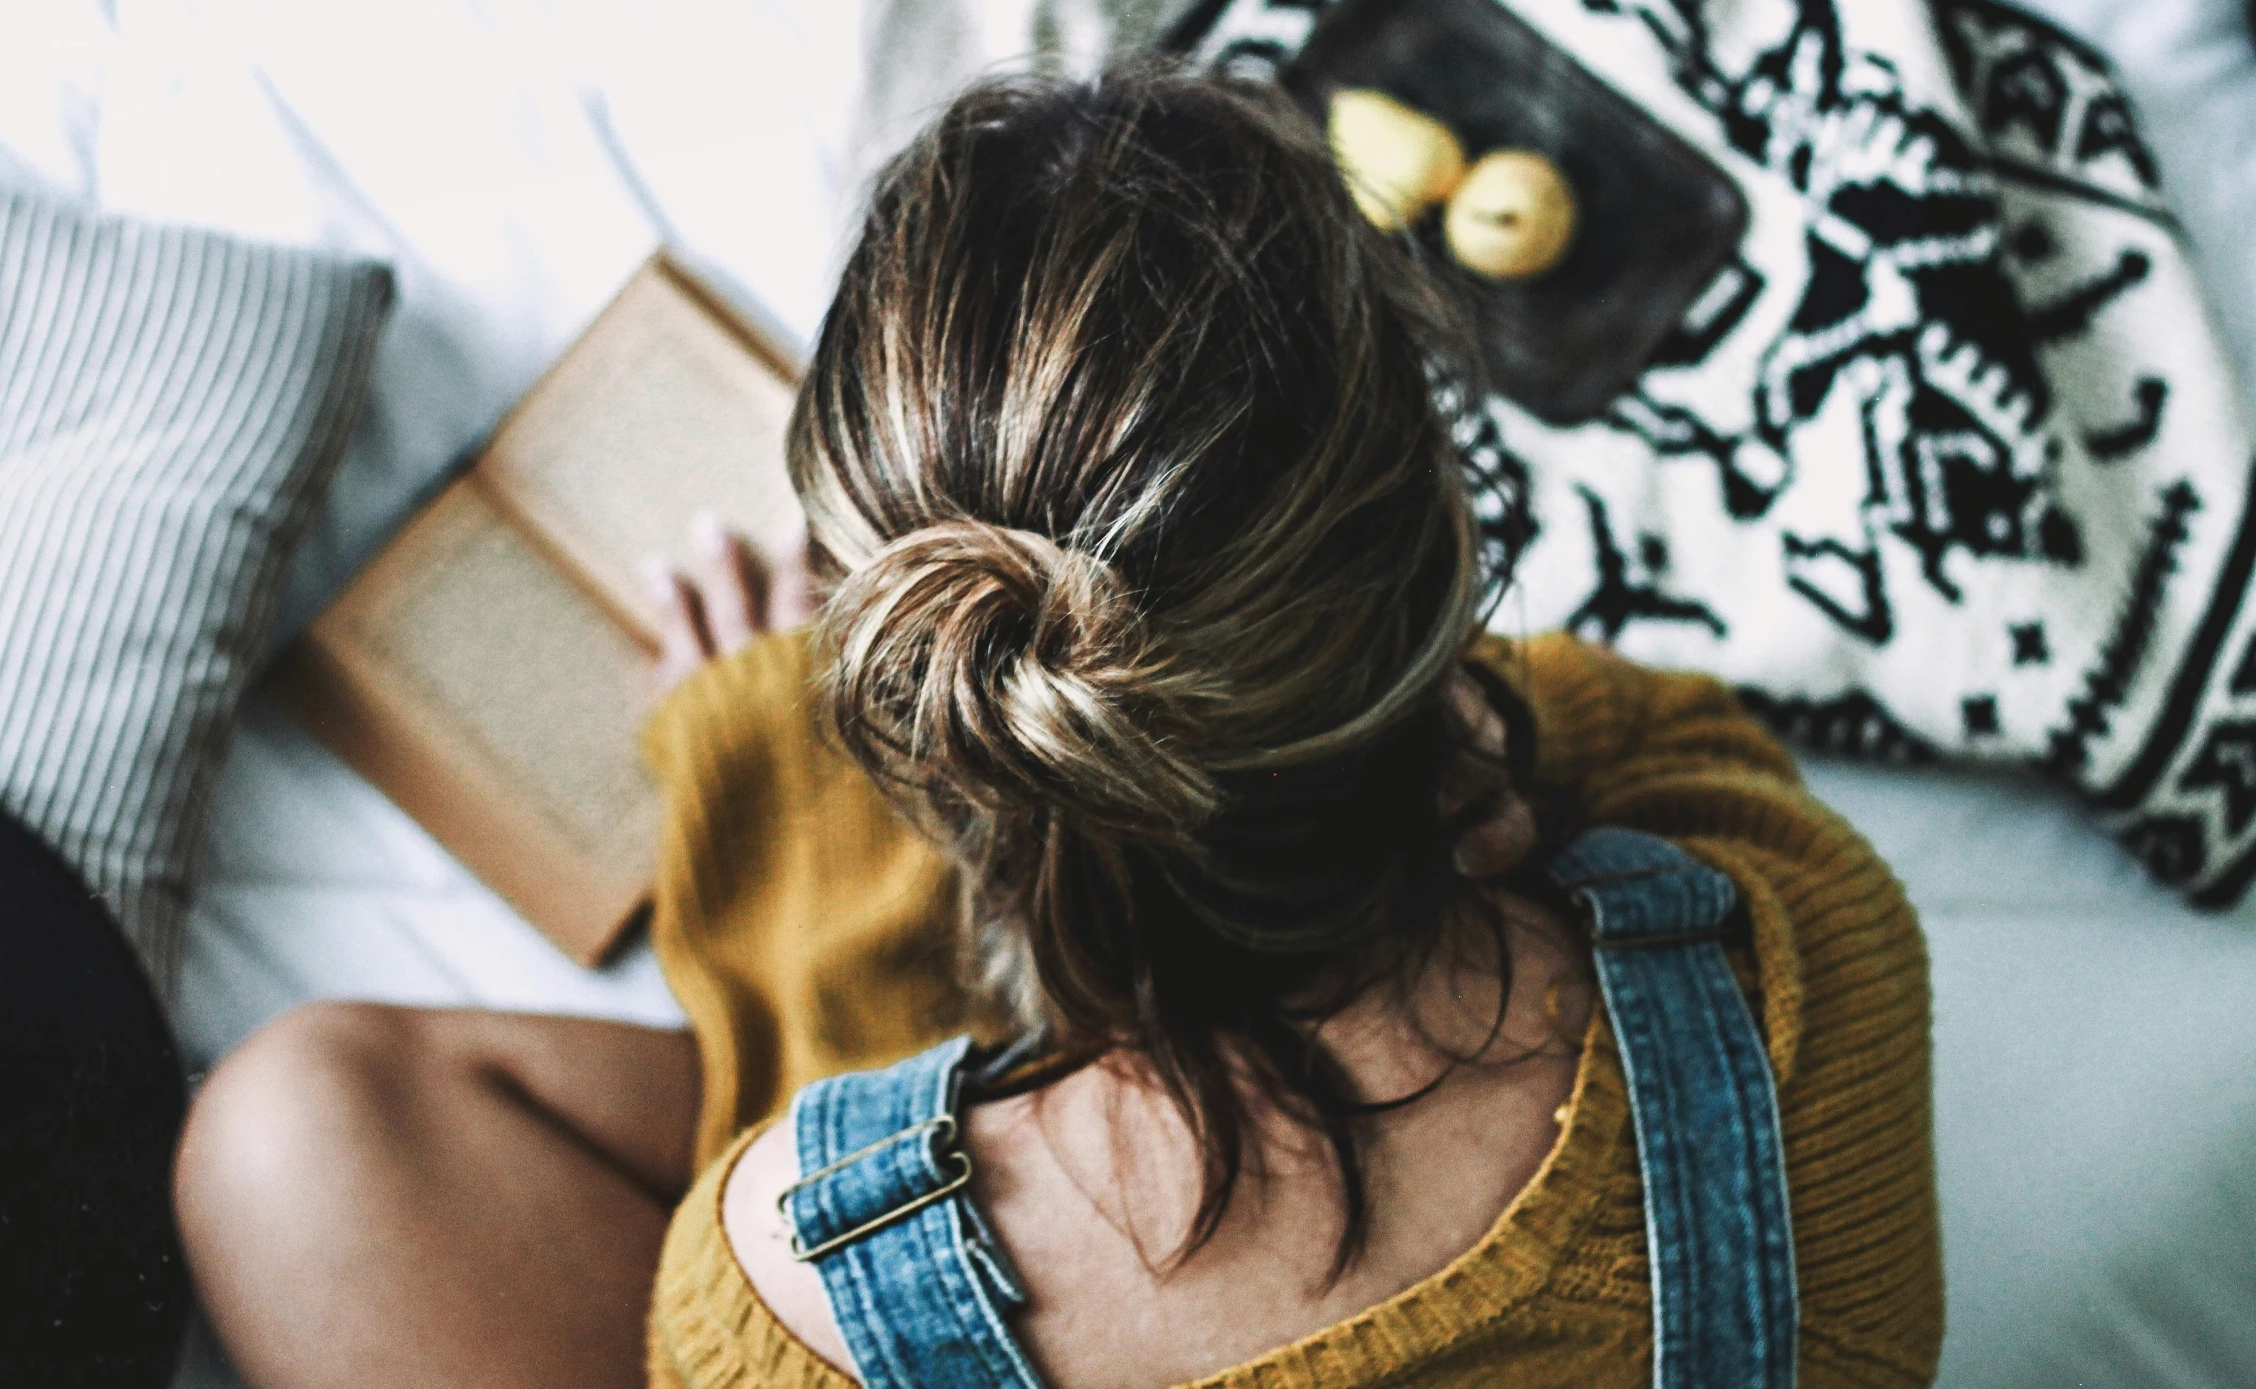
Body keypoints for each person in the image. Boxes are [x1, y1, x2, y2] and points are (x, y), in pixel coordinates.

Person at [174, 67, 1939, 1389]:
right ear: (1431, 562)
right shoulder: (1799, 979)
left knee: (291, 1140)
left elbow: (849, 1218)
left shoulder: (780, 1295)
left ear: (922, 733)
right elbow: (1643, 723)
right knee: (295, 1127)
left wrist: (781, 806)